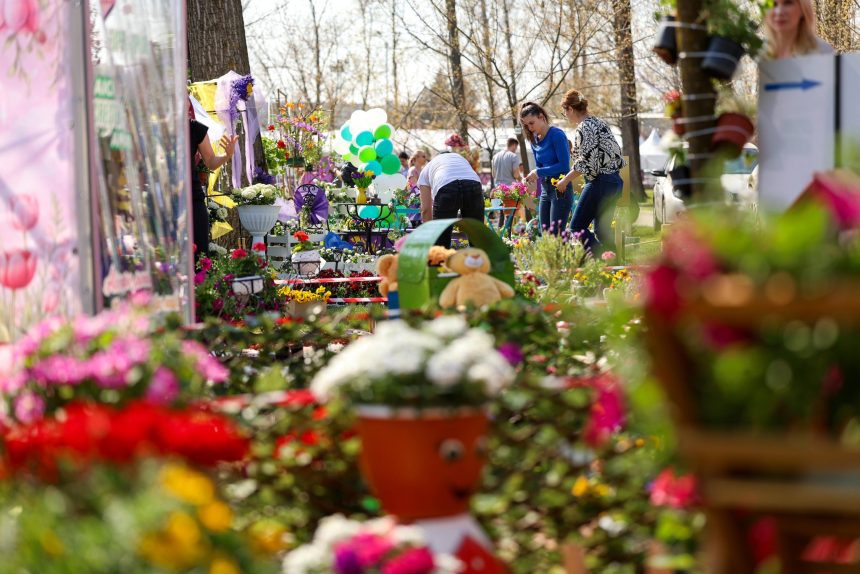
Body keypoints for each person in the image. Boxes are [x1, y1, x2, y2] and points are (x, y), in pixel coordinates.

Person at [554, 89, 625, 255]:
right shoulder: (599, 123)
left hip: (600, 182)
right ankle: (615, 265)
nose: (566, 116)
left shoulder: (584, 127)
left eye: (565, 112)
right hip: (614, 181)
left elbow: (587, 164)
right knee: (603, 231)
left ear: (571, 109)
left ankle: (601, 260)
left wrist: (565, 180)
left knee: (577, 227)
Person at [189, 112, 238, 259]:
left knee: (200, 253)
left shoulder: (195, 128)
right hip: (165, 200)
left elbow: (210, 161)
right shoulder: (154, 128)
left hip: (193, 197)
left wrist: (227, 155)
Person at [520, 101, 573, 234]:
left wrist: (538, 172)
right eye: (526, 125)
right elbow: (540, 168)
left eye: (531, 123)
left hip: (560, 189)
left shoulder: (557, 135)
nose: (529, 128)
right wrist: (531, 179)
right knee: (544, 233)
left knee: (556, 235)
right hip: (545, 190)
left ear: (541, 117)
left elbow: (564, 165)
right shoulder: (534, 140)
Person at [418, 151, 483, 247]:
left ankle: (441, 255)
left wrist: (431, 237)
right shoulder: (460, 158)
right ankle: (480, 256)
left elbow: (426, 209)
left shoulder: (427, 168)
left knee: (441, 242)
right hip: (473, 182)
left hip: (445, 184)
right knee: (477, 238)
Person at [764, 0, 833, 59]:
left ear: (803, 8)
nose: (779, 12)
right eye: (773, 4)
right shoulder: (761, 53)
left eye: (787, 3)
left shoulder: (822, 51)